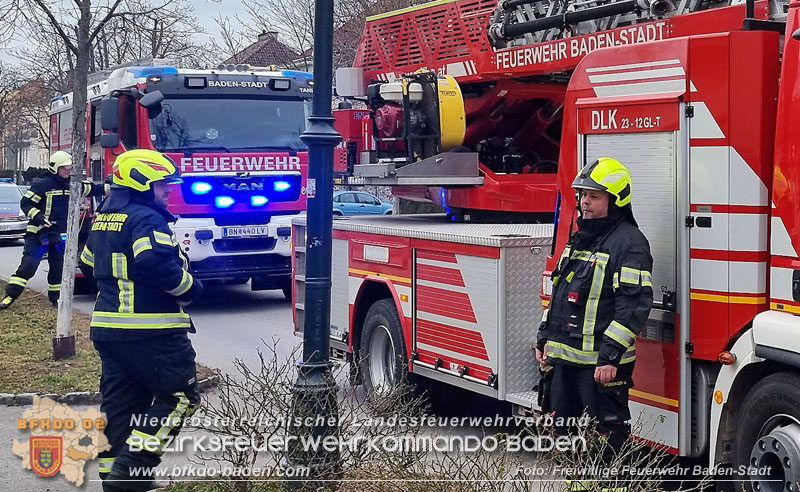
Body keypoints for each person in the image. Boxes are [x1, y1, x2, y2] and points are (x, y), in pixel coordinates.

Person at [78, 149, 203, 492]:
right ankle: (133, 468)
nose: (168, 191)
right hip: (153, 331)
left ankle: (118, 481)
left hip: (109, 330)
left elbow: (87, 264)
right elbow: (153, 263)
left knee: (122, 406)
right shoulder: (147, 219)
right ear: (142, 183)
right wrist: (191, 288)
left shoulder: (105, 217)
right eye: (162, 184)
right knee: (179, 398)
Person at [535, 157, 653, 484]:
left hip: (601, 366)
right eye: (583, 194)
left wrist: (611, 357)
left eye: (594, 196)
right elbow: (560, 292)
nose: (585, 201)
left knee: (607, 442)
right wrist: (544, 337)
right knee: (564, 436)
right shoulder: (581, 236)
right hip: (565, 360)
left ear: (615, 200)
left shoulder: (630, 244)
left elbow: (634, 305)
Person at [0, 151, 105, 309]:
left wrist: (115, 186)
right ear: (55, 168)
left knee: (57, 269)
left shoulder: (75, 185)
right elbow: (26, 203)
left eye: (70, 168)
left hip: (59, 236)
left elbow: (96, 189)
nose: (68, 171)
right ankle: (10, 296)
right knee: (29, 265)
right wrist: (40, 217)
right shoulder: (43, 185)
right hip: (39, 233)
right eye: (65, 168)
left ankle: (55, 301)